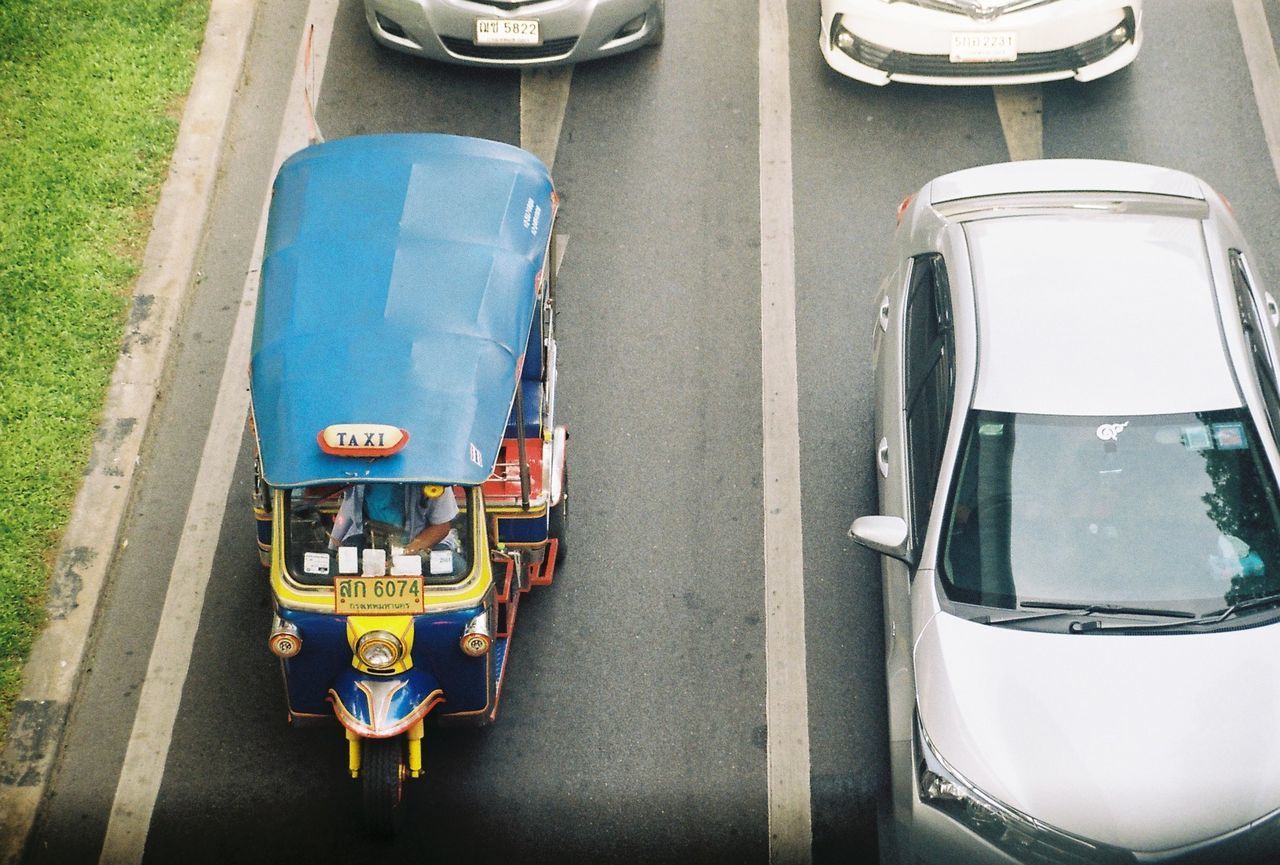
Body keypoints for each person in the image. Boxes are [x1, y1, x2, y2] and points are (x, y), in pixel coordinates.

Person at [329, 483, 466, 575]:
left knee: (457, 569)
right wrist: (332, 550)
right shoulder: (357, 472)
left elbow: (441, 526)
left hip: (422, 546)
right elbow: (346, 513)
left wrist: (405, 555)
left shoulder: (432, 472)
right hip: (370, 543)